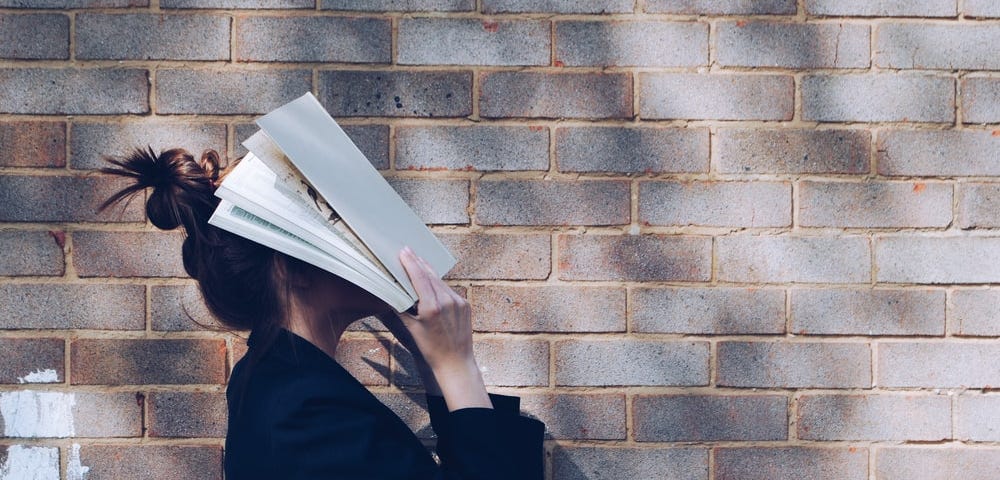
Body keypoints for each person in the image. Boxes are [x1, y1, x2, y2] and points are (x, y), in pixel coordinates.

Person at [100, 147, 545, 479]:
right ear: (291, 267)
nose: (371, 241)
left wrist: (435, 363)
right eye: (342, 230)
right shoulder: (302, 413)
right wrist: (458, 365)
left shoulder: (283, 385)